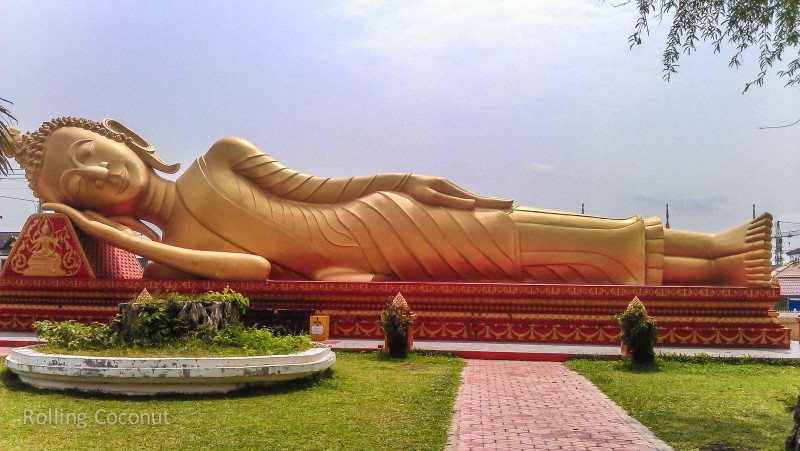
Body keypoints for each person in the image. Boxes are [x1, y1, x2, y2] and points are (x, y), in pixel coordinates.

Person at [3, 117, 773, 286]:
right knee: (528, 267)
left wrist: (403, 180)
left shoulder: (220, 159)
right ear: (95, 212)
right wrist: (132, 241)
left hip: (378, 219)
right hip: (351, 268)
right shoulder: (177, 259)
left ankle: (713, 246)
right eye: (79, 187)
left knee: (520, 229)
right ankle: (714, 273)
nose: (97, 174)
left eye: (91, 153)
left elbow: (318, 189)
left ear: (119, 134)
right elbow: (254, 266)